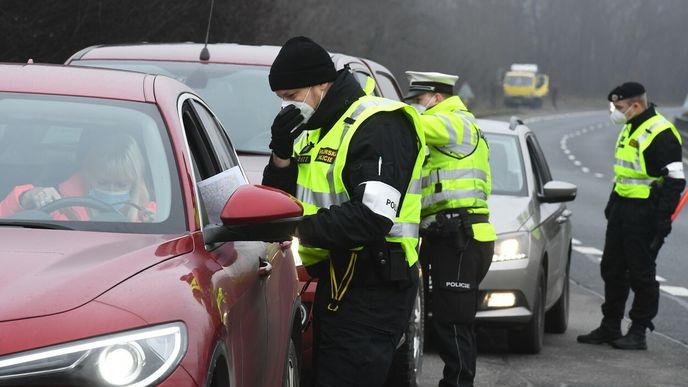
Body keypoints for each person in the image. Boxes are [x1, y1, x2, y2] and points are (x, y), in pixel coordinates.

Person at [261, 36, 425, 387]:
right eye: (281, 100)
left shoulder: (379, 124)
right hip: (337, 280)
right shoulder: (315, 130)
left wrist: (295, 227)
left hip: (375, 282)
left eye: (292, 97)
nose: (288, 106)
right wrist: (281, 153)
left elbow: (373, 217)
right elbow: (277, 199)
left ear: (322, 82)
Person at [403, 71, 495, 387]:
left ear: (437, 97)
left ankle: (457, 384)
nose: (418, 108)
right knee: (448, 319)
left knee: (454, 323)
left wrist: (377, 108)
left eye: (419, 101)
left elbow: (414, 125)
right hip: (452, 236)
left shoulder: (456, 121)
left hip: (460, 238)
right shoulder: (451, 125)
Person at [577, 82, 685, 350]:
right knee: (611, 268)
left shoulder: (662, 132)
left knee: (641, 274)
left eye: (619, 107)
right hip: (623, 209)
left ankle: (638, 331)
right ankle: (610, 326)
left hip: (645, 213)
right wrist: (614, 201)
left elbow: (675, 180)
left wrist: (663, 219)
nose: (615, 112)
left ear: (636, 105)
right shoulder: (629, 127)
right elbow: (625, 172)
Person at [0, 132, 155, 222]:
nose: (111, 191)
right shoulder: (58, 207)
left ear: (135, 183)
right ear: (88, 177)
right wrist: (26, 197)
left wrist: (154, 228)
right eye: (102, 182)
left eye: (122, 185)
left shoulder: (153, 216)